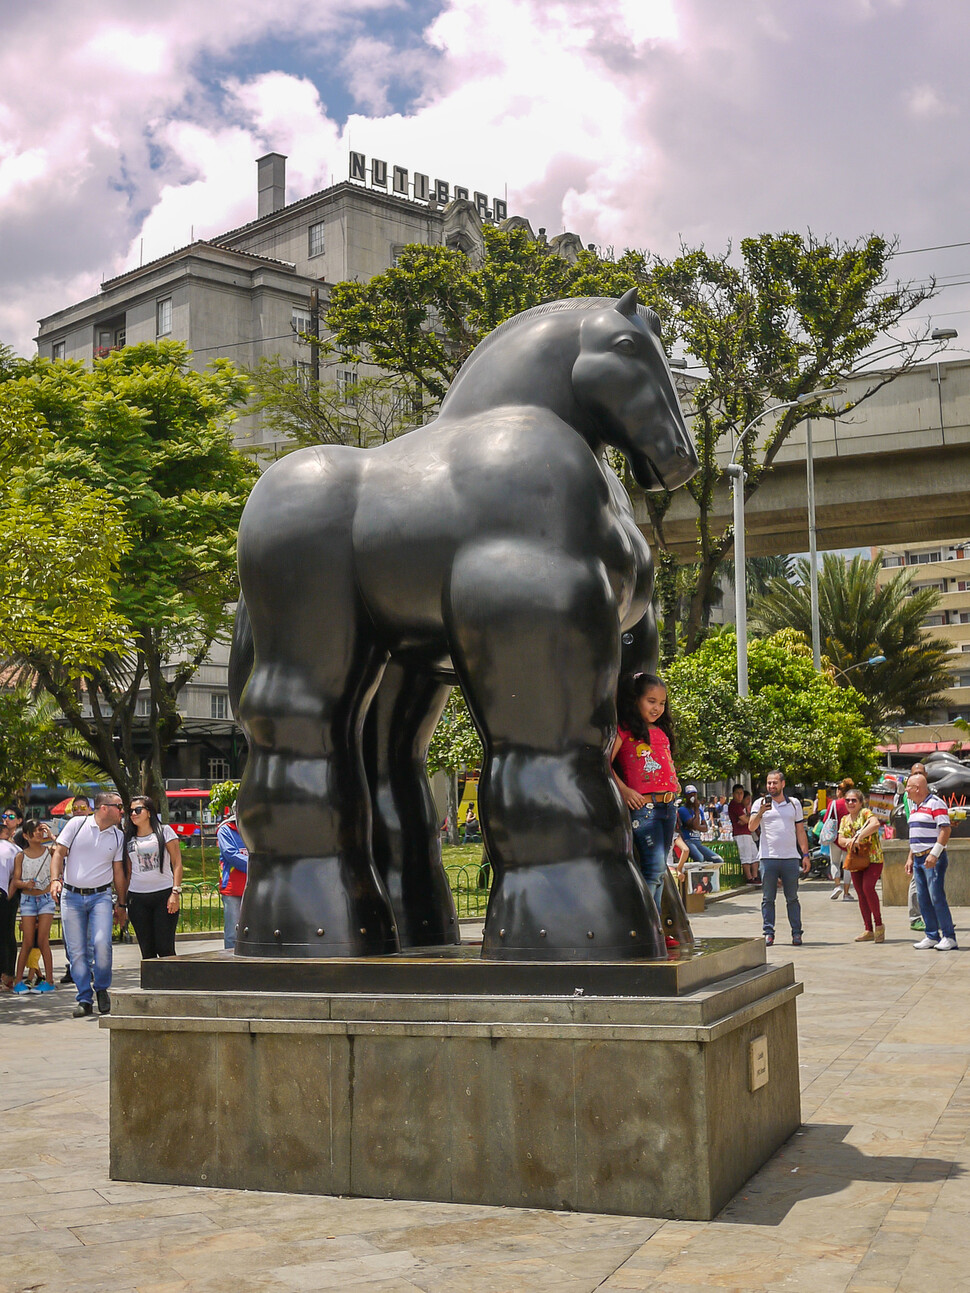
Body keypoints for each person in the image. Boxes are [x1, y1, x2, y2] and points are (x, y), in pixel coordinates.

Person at [49, 792, 127, 1017]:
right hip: (71, 897)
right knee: (77, 952)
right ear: (104, 808)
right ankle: (84, 997)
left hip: (100, 896)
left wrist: (121, 904)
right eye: (119, 806)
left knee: (102, 943)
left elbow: (118, 871)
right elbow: (58, 853)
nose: (122, 811)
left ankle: (101, 988)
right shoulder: (77, 824)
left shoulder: (117, 835)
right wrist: (55, 880)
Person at [611, 672, 680, 916]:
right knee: (654, 867)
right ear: (636, 699)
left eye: (662, 703)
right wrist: (624, 790)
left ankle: (656, 928)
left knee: (659, 871)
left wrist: (675, 783)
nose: (657, 708)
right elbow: (604, 763)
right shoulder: (625, 730)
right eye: (651, 701)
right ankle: (649, 928)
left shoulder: (661, 732)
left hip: (668, 807)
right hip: (645, 808)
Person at [748, 770, 811, 947]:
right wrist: (760, 812)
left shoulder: (794, 804)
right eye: (769, 783)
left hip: (790, 857)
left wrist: (805, 855)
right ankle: (768, 932)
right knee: (768, 898)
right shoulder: (759, 803)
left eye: (775, 783)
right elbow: (751, 827)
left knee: (792, 898)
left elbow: (800, 831)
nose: (771, 786)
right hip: (768, 858)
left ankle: (796, 933)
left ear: (783, 784)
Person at [124, 796, 183, 960]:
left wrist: (175, 892)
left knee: (165, 947)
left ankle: (172, 982)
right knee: (147, 949)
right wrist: (122, 902)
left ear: (149, 812)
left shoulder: (165, 831)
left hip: (164, 895)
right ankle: (153, 984)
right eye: (130, 812)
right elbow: (127, 871)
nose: (133, 814)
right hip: (137, 898)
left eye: (138, 810)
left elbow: (177, 863)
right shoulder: (128, 837)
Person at [905, 772, 957, 951]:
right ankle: (932, 935)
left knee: (936, 897)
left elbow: (945, 829)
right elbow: (915, 835)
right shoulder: (915, 807)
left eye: (909, 787)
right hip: (919, 858)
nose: (906, 790)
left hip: (932, 858)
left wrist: (934, 854)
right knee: (923, 898)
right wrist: (910, 857)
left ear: (918, 788)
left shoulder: (936, 803)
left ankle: (949, 936)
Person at [10, 820, 57, 992]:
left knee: (43, 939)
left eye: (41, 830)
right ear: (26, 835)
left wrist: (51, 835)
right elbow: (16, 880)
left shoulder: (49, 851)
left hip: (45, 898)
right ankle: (18, 981)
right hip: (28, 900)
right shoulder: (21, 856)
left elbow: (62, 851)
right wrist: (24, 884)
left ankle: (50, 981)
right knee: (28, 941)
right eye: (35, 831)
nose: (39, 833)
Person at [837, 789, 885, 943]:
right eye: (848, 800)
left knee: (868, 887)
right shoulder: (844, 819)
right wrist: (850, 841)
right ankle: (868, 929)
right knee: (860, 892)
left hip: (873, 858)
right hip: (856, 859)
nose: (850, 803)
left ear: (860, 802)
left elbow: (875, 824)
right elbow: (840, 839)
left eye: (853, 800)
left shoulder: (865, 814)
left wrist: (859, 835)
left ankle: (879, 925)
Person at [59, 796, 93, 983]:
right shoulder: (68, 829)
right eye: (75, 808)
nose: (79, 811)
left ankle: (88, 968)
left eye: (82, 807)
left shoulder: (95, 830)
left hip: (91, 888)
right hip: (69, 888)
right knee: (69, 934)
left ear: (89, 809)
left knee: (88, 935)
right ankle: (73, 967)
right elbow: (59, 853)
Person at [217, 806, 248, 950]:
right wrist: (257, 865)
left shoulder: (257, 828)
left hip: (255, 886)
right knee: (232, 932)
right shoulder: (225, 830)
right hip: (233, 887)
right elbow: (231, 854)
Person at [0, 811, 21, 992]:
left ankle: (7, 975)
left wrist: (9, 894)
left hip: (7, 895)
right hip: (6, 893)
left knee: (6, 934)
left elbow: (17, 875)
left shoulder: (15, 847)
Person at [826, 777, 856, 901]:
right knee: (847, 866)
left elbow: (826, 820)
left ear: (840, 790)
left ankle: (837, 885)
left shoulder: (834, 804)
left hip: (835, 838)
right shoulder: (853, 803)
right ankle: (846, 893)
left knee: (834, 862)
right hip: (849, 839)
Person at [676, 787, 723, 864]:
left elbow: (705, 828)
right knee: (700, 858)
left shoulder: (700, 811)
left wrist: (698, 825)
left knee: (717, 859)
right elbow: (694, 825)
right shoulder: (683, 810)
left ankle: (707, 875)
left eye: (694, 795)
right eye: (690, 795)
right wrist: (696, 811)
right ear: (686, 796)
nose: (693, 797)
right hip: (688, 841)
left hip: (697, 841)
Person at [728, 784, 759, 883]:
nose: (739, 796)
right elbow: (745, 819)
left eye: (741, 793)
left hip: (747, 832)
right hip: (740, 834)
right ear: (733, 794)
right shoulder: (734, 805)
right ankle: (749, 878)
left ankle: (755, 876)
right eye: (737, 793)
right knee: (746, 856)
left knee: (754, 855)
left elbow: (746, 819)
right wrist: (750, 819)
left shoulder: (742, 806)